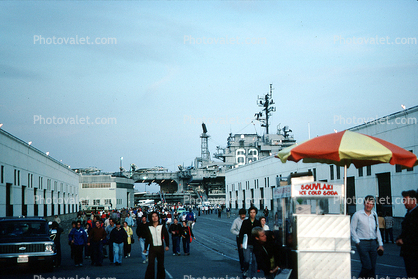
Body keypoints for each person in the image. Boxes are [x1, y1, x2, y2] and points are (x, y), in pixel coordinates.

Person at [351, 195, 384, 279]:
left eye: (371, 204)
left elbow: (377, 230)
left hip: (373, 243)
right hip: (362, 243)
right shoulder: (357, 214)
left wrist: (380, 244)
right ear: (364, 203)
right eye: (367, 203)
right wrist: (358, 242)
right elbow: (352, 229)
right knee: (367, 266)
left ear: (373, 205)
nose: (369, 205)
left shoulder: (374, 214)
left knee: (372, 268)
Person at [396, 190, 418, 278]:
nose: (404, 202)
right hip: (409, 251)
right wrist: (399, 238)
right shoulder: (409, 213)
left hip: (414, 252)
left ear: (413, 201)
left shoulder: (416, 214)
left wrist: (404, 240)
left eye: (406, 200)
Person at [144, 211, 170, 279]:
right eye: (153, 216)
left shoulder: (162, 226)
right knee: (150, 265)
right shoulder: (149, 227)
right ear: (151, 218)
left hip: (160, 248)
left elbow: (166, 236)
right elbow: (147, 239)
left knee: (160, 265)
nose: (155, 218)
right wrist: (145, 248)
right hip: (152, 248)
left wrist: (167, 245)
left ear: (158, 217)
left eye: (156, 216)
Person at [239, 206, 262, 278]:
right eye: (251, 212)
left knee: (255, 261)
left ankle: (254, 275)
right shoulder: (245, 222)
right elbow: (241, 233)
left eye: (254, 212)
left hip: (256, 244)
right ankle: (245, 270)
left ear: (256, 213)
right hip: (247, 243)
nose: (252, 214)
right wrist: (241, 243)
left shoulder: (258, 222)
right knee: (247, 260)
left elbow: (261, 233)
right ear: (249, 213)